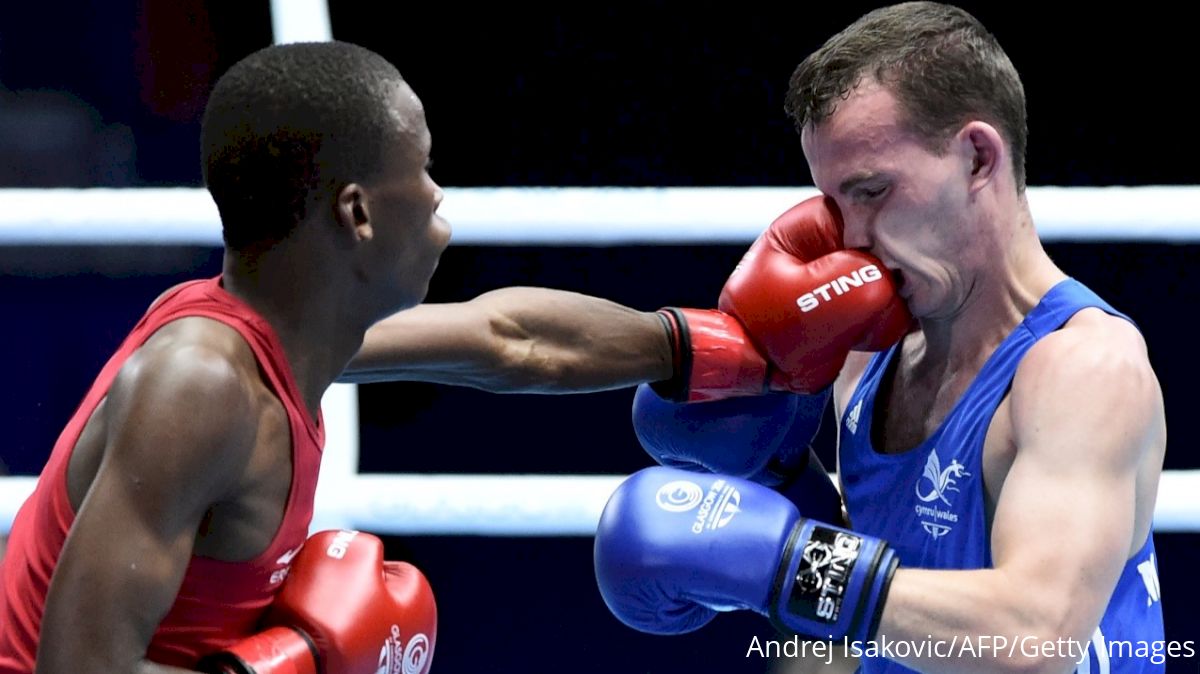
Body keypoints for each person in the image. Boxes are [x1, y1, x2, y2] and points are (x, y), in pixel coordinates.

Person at [0, 40, 908, 674]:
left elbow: (508, 340)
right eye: (423, 168)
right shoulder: (199, 386)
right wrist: (292, 664)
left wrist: (718, 352)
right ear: (356, 213)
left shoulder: (284, 345)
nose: (440, 198)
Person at [593, 3, 1167, 673]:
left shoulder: (1083, 369)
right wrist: (788, 482)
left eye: (873, 191)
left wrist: (785, 563)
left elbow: (1033, 638)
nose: (852, 238)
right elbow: (901, 582)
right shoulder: (865, 358)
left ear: (978, 157)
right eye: (835, 204)